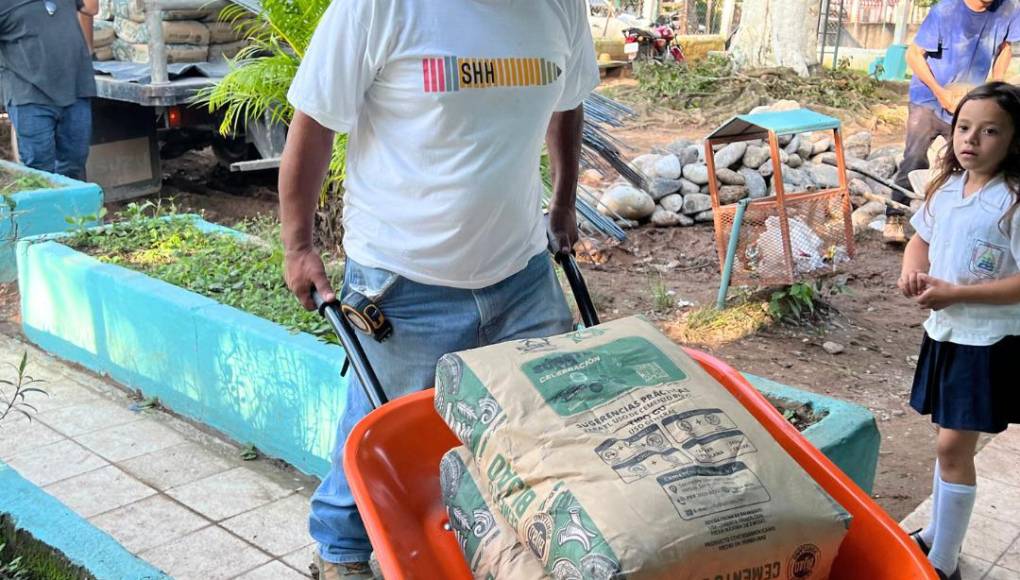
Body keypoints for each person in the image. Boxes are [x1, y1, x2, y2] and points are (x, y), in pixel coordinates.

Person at [278, 0, 599, 577]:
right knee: (380, 434)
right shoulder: (380, 7)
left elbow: (569, 103)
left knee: (535, 432)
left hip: (522, 274)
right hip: (402, 281)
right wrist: (299, 245)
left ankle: (499, 549)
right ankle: (342, 553)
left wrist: (565, 201)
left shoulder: (560, 7)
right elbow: (314, 121)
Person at [898, 82, 1020, 580]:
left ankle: (943, 562)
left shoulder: (1012, 201)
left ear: (1015, 140)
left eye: (990, 131)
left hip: (988, 341)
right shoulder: (947, 189)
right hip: (946, 332)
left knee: (953, 447)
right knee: (948, 442)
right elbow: (920, 239)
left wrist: (959, 293)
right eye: (964, 128)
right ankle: (935, 535)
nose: (972, 140)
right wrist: (912, 269)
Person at [885, 0, 1020, 244]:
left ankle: (958, 224)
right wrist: (941, 93)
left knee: (967, 163)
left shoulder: (1008, 9)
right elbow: (913, 55)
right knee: (915, 157)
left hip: (968, 103)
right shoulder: (945, 10)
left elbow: (1004, 48)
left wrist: (995, 90)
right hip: (929, 98)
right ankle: (894, 217)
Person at [0, 0, 97, 180]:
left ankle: (70, 208)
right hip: (29, 95)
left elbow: (91, 8)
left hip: (75, 90)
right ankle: (43, 208)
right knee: (39, 170)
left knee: (74, 164)